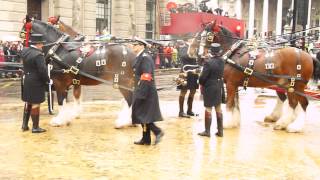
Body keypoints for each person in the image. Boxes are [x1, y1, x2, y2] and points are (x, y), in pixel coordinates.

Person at [130, 37, 164, 145]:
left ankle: (158, 131)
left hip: (146, 91)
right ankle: (146, 138)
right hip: (141, 89)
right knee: (143, 115)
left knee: (143, 115)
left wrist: (141, 92)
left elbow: (146, 75)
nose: (133, 46)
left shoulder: (145, 57)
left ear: (141, 46)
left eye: (135, 45)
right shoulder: (140, 56)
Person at [21, 34, 51, 133]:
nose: (42, 45)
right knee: (35, 104)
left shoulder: (25, 51)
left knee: (28, 102)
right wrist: (48, 80)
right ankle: (35, 127)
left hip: (27, 79)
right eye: (41, 44)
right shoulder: (38, 54)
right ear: (38, 44)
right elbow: (42, 70)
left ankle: (24, 125)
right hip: (36, 81)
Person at [198, 43, 224, 137]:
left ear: (211, 52)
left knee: (208, 108)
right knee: (218, 108)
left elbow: (203, 77)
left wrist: (200, 81)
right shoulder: (222, 61)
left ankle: (207, 131)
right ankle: (220, 131)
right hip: (219, 86)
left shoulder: (208, 62)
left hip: (210, 87)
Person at [177, 40, 199, 118]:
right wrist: (191, 50)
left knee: (193, 91)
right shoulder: (184, 48)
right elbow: (183, 57)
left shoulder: (198, 49)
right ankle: (181, 112)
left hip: (194, 73)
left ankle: (189, 110)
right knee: (183, 91)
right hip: (185, 72)